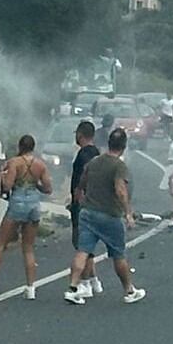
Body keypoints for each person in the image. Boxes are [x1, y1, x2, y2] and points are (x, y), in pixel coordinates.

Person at [65, 127, 146, 305]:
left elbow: (82, 181)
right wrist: (128, 213)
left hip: (87, 213)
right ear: (124, 146)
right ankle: (129, 290)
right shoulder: (119, 166)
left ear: (109, 143)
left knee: (83, 251)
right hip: (109, 215)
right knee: (118, 254)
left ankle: (72, 288)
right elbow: (120, 190)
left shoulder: (94, 161)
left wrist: (79, 194)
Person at [0, 134, 53, 300]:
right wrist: (35, 185)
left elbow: (7, 186)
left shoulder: (14, 163)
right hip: (34, 206)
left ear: (20, 147)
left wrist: (3, 178)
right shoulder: (40, 165)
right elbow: (48, 189)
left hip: (17, 205)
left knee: (0, 244)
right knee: (28, 248)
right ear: (33, 147)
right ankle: (31, 288)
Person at [68, 119, 102, 298]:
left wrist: (78, 197)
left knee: (82, 245)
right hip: (93, 203)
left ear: (80, 134)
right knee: (87, 244)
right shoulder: (96, 152)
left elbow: (83, 177)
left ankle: (85, 283)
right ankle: (94, 281)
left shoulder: (84, 155)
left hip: (82, 205)